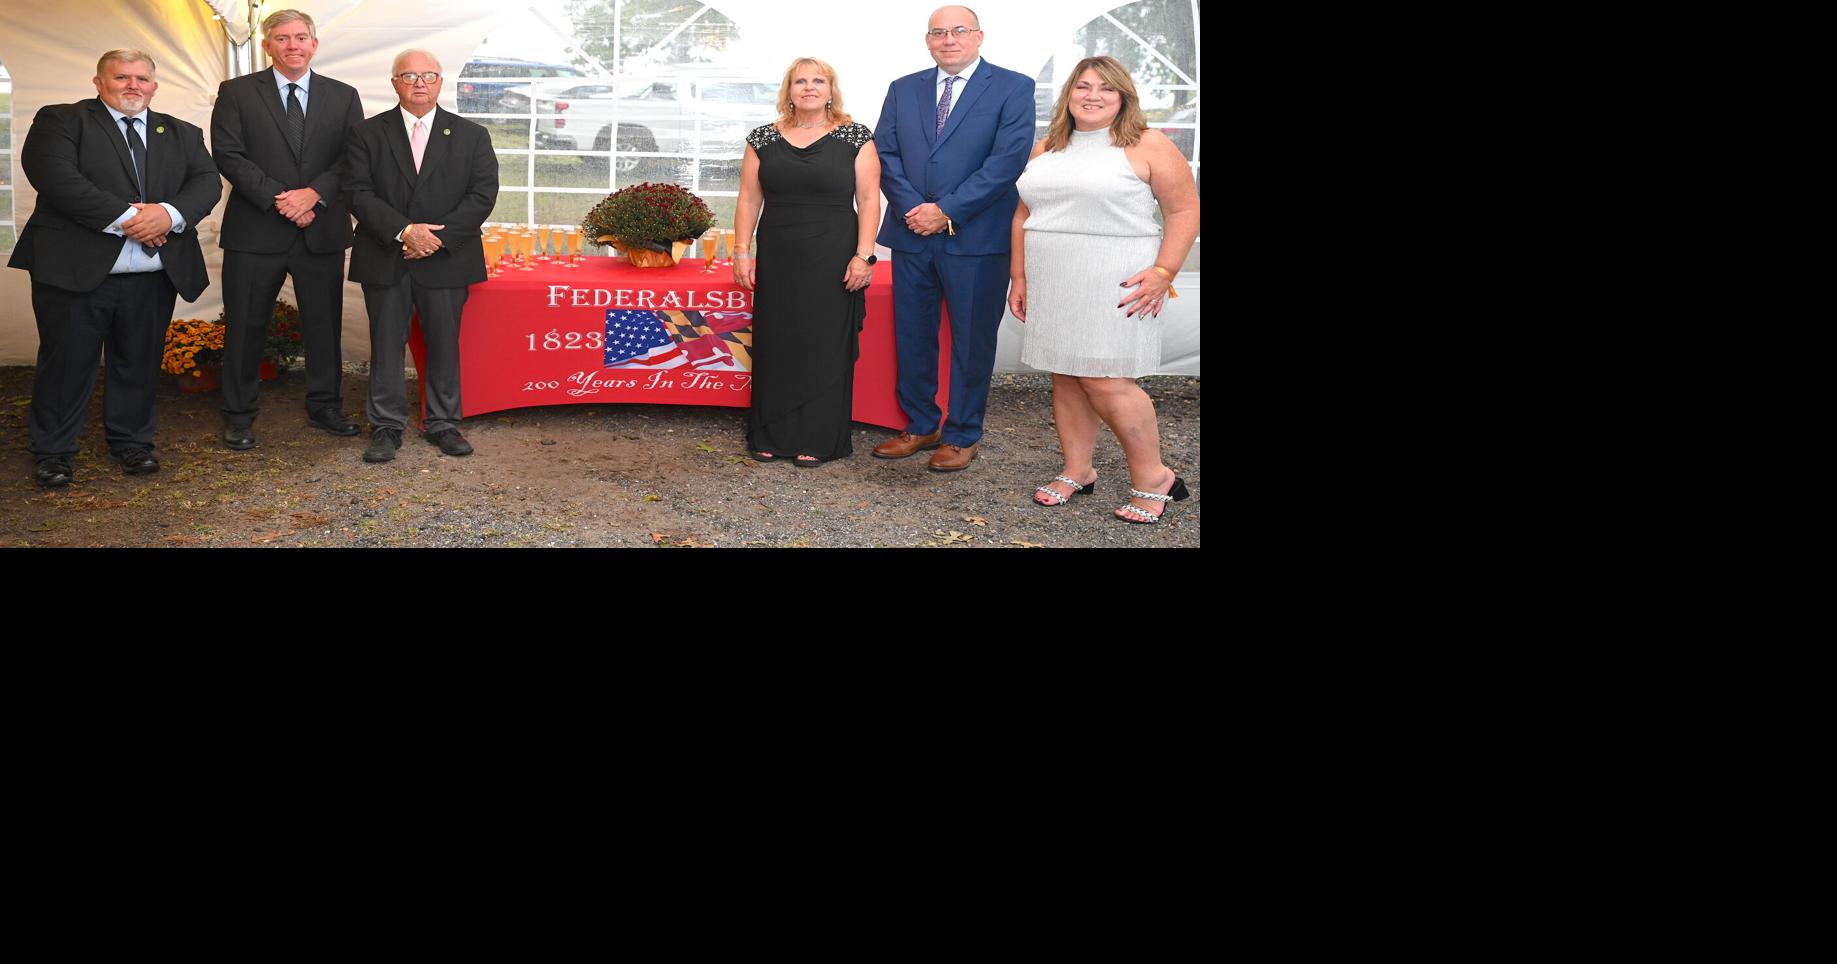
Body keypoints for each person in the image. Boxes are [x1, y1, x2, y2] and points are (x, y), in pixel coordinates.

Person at [8, 49, 221, 488]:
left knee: (138, 363)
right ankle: (54, 452)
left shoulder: (181, 132)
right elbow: (55, 178)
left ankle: (132, 442)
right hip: (75, 270)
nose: (133, 86)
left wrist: (168, 213)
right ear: (99, 81)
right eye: (121, 77)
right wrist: (134, 221)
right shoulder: (62, 121)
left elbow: (207, 183)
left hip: (151, 273)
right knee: (67, 363)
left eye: (142, 78)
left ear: (154, 86)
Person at [1008, 56, 1199, 523]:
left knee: (1107, 380)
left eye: (1106, 89)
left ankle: (1154, 476)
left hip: (1116, 276)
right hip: (1053, 275)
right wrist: (1020, 277)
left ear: (1123, 98)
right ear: (1069, 93)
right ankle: (1079, 468)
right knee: (1066, 374)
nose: (1092, 96)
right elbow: (1022, 215)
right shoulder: (1047, 146)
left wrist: (1164, 272)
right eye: (1083, 86)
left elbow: (1185, 210)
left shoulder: (1148, 144)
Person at [871, 5, 1034, 471]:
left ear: (979, 36)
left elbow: (1007, 160)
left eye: (959, 31)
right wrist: (912, 209)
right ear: (927, 41)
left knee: (971, 341)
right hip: (911, 234)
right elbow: (886, 152)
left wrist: (946, 211)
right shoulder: (903, 89)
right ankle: (922, 425)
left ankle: (963, 434)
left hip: (977, 237)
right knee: (914, 336)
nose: (948, 39)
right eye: (938, 32)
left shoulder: (1013, 87)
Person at [211, 9, 366, 450]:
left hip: (320, 228)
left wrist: (312, 195)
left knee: (323, 324)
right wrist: (283, 197)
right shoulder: (237, 92)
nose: (292, 45)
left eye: (301, 37)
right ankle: (238, 415)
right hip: (256, 229)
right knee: (245, 326)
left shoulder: (343, 95)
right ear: (267, 46)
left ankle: (325, 406)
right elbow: (228, 154)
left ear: (314, 44)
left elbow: (352, 158)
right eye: (282, 38)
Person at [343, 49, 498, 464]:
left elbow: (482, 195)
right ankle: (386, 426)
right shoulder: (366, 133)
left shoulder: (471, 135)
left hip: (447, 257)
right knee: (386, 344)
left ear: (440, 82)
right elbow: (357, 191)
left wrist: (435, 239)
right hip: (385, 255)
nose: (419, 83)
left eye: (428, 75)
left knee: (444, 343)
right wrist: (405, 232)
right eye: (409, 76)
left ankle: (444, 422)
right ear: (394, 83)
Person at [732, 58, 880, 466]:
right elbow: (748, 199)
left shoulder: (856, 137)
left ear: (831, 90)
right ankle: (770, 432)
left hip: (834, 255)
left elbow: (869, 200)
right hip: (778, 254)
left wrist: (863, 255)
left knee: (822, 343)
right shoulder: (762, 138)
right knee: (777, 339)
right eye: (801, 81)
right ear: (788, 90)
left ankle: (818, 436)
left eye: (818, 81)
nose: (809, 88)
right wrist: (742, 251)